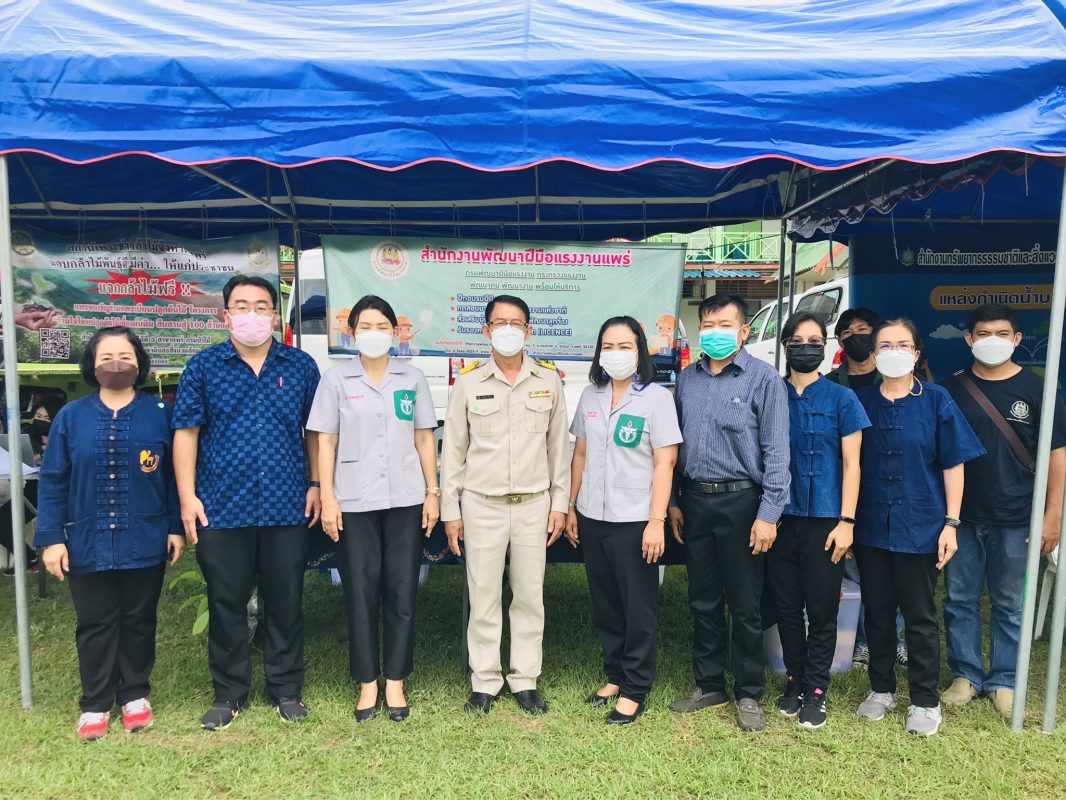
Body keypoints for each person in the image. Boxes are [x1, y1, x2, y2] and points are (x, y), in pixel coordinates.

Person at [173, 275, 322, 731]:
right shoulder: (203, 367)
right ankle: (230, 693)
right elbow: (186, 434)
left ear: (275, 315)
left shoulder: (300, 366)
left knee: (286, 601)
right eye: (241, 305)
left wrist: (316, 483)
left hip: (286, 505)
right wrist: (187, 498)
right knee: (226, 602)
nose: (251, 314)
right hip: (221, 505)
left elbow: (316, 431)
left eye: (261, 306)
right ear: (225, 314)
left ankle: (286, 690)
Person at [34, 327, 184, 741]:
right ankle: (96, 702)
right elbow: (52, 479)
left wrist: (174, 527)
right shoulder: (71, 417)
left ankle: (135, 694)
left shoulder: (158, 412)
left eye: (124, 355)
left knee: (139, 619)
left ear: (138, 363)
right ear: (92, 365)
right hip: (85, 538)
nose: (115, 363)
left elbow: (173, 476)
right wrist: (50, 538)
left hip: (145, 534)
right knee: (95, 622)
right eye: (105, 357)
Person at [307, 295, 440, 723]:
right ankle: (368, 683)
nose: (374, 333)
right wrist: (327, 495)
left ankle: (396, 681)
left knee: (401, 589)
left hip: (406, 498)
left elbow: (424, 439)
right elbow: (324, 440)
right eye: (366, 326)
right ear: (351, 332)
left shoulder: (413, 378)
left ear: (396, 332)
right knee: (360, 591)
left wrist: (433, 491)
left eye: (383, 326)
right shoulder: (336, 380)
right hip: (353, 500)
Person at [853, 318, 984, 736]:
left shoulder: (937, 400)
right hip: (870, 524)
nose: (893, 351)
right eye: (884, 344)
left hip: (921, 524)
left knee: (920, 615)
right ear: (873, 353)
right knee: (876, 611)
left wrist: (951, 523)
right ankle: (881, 689)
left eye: (902, 344)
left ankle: (925, 701)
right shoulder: (860, 401)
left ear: (916, 352)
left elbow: (954, 465)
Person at [440, 295, 570, 715]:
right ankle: (485, 680)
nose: (508, 329)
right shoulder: (468, 382)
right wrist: (451, 511)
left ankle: (525, 679)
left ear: (529, 331)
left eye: (516, 322)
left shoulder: (548, 381)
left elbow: (559, 451)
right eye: (500, 322)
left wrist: (559, 504)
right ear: (486, 330)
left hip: (534, 503)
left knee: (530, 595)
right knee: (484, 594)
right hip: (482, 504)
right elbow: (454, 452)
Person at [668, 293, 790, 732]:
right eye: (708, 324)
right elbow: (673, 447)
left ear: (743, 331)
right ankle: (709, 684)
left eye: (724, 324)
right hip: (695, 501)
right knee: (702, 599)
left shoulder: (764, 380)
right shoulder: (687, 380)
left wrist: (769, 513)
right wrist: (675, 501)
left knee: (745, 604)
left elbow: (777, 452)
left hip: (744, 504)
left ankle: (749, 692)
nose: (714, 332)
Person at [940, 304, 1066, 718]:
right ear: (969, 340)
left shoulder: (1040, 391)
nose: (992, 341)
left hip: (1017, 518)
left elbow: (1057, 458)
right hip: (962, 516)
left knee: (1010, 603)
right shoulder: (951, 389)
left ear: (1016, 339)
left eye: (1002, 333)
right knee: (960, 598)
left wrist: (1052, 517)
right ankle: (966, 675)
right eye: (983, 333)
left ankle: (1005, 680)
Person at [565, 316, 681, 725]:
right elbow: (579, 455)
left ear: (640, 351)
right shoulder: (589, 396)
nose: (616, 354)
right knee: (606, 602)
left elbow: (665, 463)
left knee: (638, 606)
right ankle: (614, 675)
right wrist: (571, 505)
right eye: (608, 347)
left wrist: (655, 521)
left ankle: (635, 687)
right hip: (593, 516)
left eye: (625, 346)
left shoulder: (656, 398)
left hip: (636, 519)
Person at [767, 313, 870, 729]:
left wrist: (847, 521)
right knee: (787, 606)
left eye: (814, 339)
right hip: (779, 517)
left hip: (827, 519)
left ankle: (816, 687)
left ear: (826, 346)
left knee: (823, 608)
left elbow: (853, 465)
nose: (806, 346)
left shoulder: (843, 399)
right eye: (798, 339)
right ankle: (794, 678)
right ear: (785, 346)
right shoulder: (771, 393)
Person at [829, 306, 907, 667]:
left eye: (864, 329)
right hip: (846, 488)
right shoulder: (830, 383)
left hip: (888, 488)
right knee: (854, 569)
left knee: (894, 568)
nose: (856, 335)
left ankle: (899, 640)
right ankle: (860, 641)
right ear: (840, 339)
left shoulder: (895, 380)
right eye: (849, 331)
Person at [827, 307, 881, 391]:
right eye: (847, 332)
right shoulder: (828, 383)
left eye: (862, 329)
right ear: (840, 343)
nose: (855, 335)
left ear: (875, 336)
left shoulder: (892, 377)